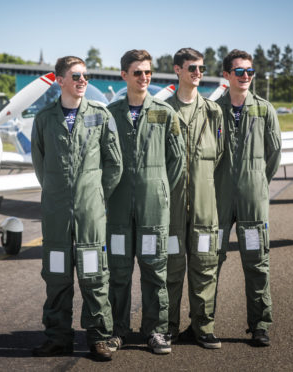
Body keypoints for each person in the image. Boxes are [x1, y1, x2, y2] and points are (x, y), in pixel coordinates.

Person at [31, 56, 123, 361]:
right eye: (76, 76)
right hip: (56, 215)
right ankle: (57, 338)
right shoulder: (44, 119)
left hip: (90, 213)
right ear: (60, 80)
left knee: (95, 276)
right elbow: (40, 166)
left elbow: (114, 163)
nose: (82, 80)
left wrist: (94, 194)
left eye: (85, 76)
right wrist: (60, 194)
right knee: (56, 275)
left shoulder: (100, 114)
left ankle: (99, 338)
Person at [105, 49, 185, 354]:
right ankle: (117, 331)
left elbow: (176, 161)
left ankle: (156, 331)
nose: (144, 78)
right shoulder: (109, 114)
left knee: (154, 269)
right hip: (118, 208)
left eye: (148, 72)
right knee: (118, 270)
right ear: (124, 75)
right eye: (137, 72)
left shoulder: (165, 113)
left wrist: (160, 189)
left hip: (153, 209)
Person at [214, 49, 281, 347]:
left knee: (256, 262)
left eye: (249, 72)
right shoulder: (213, 110)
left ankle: (260, 324)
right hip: (218, 199)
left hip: (253, 199)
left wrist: (257, 183)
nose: (245, 76)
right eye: (239, 71)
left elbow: (274, 153)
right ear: (227, 75)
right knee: (208, 260)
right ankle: (202, 325)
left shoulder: (265, 110)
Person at [165, 48, 225, 349]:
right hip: (172, 209)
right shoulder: (161, 110)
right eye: (192, 68)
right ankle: (168, 328)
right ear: (177, 70)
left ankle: (203, 328)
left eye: (201, 68)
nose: (198, 73)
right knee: (171, 269)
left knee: (204, 266)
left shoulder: (214, 111)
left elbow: (219, 154)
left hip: (204, 208)